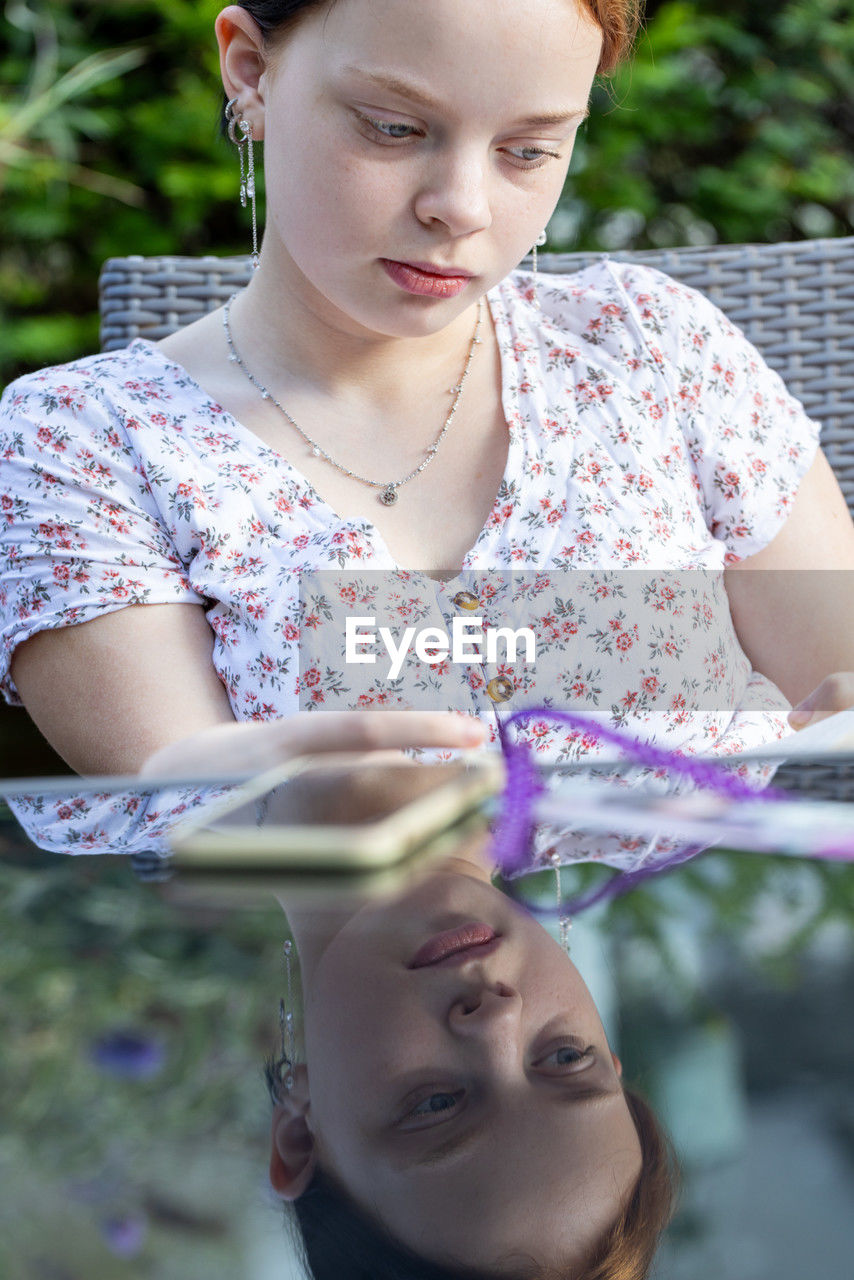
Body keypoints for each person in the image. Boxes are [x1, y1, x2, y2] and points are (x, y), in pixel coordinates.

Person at [266, 825, 676, 1279]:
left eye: (436, 1104)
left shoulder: (175, 773)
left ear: (301, 1137)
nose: (497, 1019)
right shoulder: (668, 792)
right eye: (566, 1059)